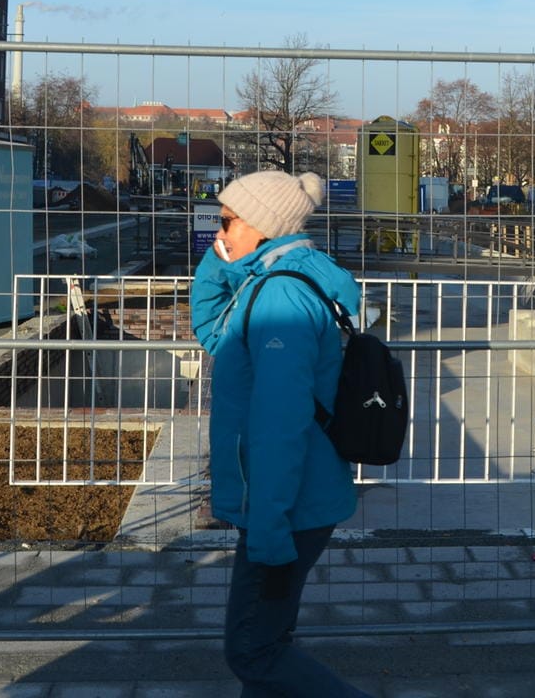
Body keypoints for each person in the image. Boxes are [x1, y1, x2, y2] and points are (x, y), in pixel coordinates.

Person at [190, 169, 372, 697]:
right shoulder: (277, 278)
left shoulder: (279, 299)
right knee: (269, 642)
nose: (218, 230)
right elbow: (214, 336)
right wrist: (217, 263)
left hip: (284, 506)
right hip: (294, 496)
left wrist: (267, 524)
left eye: (227, 220)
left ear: (261, 226)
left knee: (252, 649)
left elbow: (279, 423)